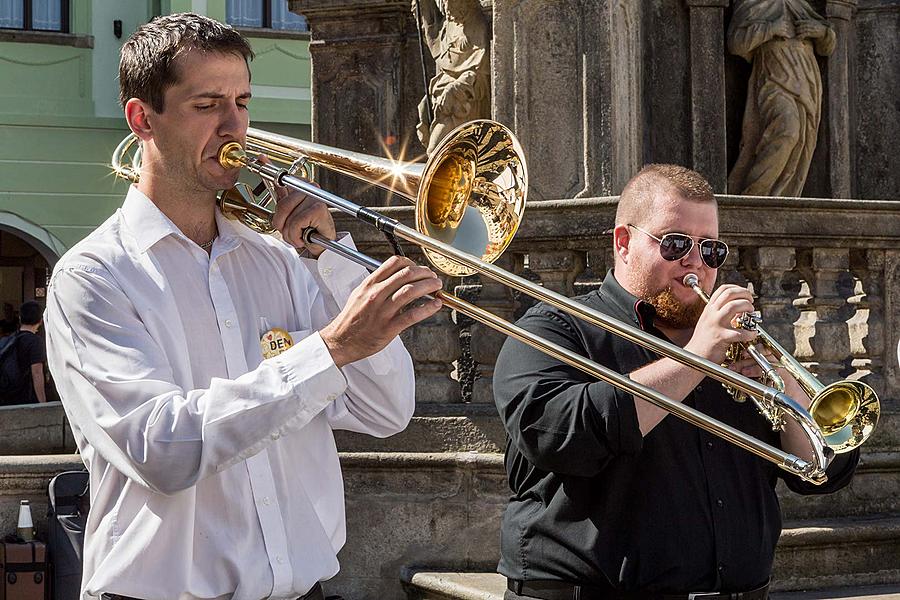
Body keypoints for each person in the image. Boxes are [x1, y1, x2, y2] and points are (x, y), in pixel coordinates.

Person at [45, 13, 442, 600]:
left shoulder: (282, 262)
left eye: (242, 102)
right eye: (207, 105)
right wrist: (328, 351)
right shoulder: (95, 276)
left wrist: (326, 261)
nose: (235, 129)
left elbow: (386, 411)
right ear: (142, 118)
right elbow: (162, 449)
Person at [493, 164, 859, 600]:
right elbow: (558, 436)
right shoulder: (556, 328)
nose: (695, 262)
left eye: (711, 250)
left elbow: (826, 471)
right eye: (676, 243)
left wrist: (785, 386)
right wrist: (696, 359)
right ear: (624, 243)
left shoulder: (740, 345)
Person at [0, 300, 47, 405]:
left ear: (20, 318)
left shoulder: (10, 339)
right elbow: (37, 373)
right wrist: (43, 403)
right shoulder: (35, 341)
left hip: (6, 397)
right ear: (40, 320)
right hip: (25, 398)